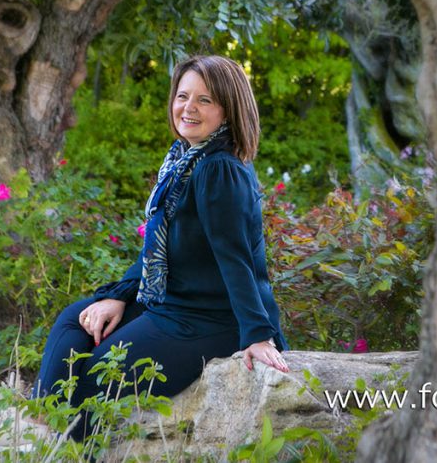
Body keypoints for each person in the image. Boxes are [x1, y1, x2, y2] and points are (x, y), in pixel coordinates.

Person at [32, 54, 289, 441]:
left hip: (210, 321)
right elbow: (160, 247)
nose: (189, 108)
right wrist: (119, 296)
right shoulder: (183, 159)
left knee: (100, 373)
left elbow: (237, 259)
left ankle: (67, 444)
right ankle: (46, 424)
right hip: (173, 304)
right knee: (77, 319)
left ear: (228, 110)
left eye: (205, 100)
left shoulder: (218, 168)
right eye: (183, 96)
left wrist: (257, 335)